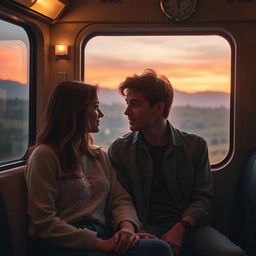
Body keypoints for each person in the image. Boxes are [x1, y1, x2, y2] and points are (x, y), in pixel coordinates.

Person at [25, 80, 173, 256]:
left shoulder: (98, 156)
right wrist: (99, 244)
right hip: (61, 242)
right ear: (75, 111)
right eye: (95, 107)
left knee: (160, 249)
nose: (100, 114)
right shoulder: (45, 156)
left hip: (102, 234)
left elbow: (120, 200)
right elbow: (44, 221)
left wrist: (126, 228)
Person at [108, 69, 247, 256]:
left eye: (135, 104)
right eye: (127, 104)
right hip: (143, 227)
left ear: (158, 108)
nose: (127, 112)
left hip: (189, 226)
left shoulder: (195, 146)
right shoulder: (120, 150)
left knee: (232, 254)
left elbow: (203, 199)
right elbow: (120, 201)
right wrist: (133, 230)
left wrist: (180, 228)